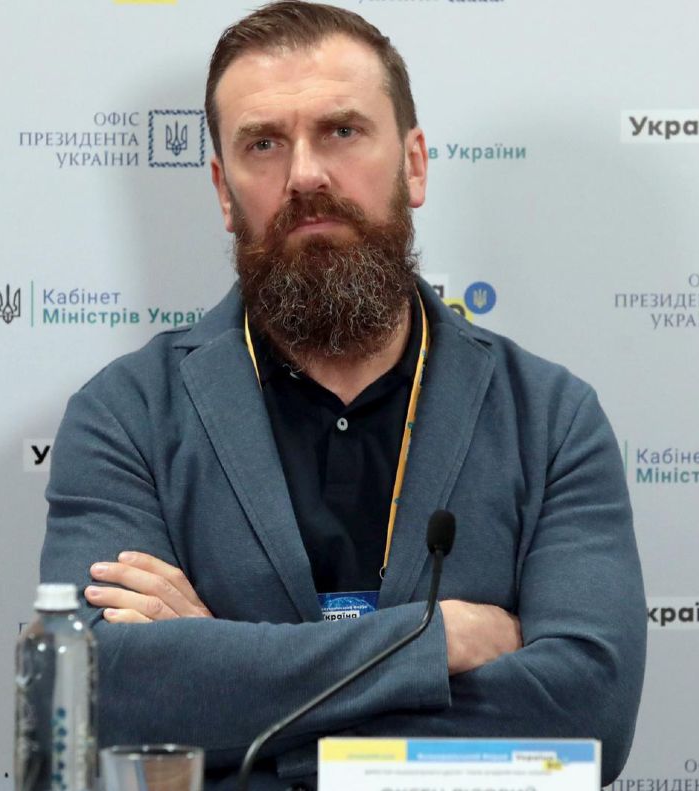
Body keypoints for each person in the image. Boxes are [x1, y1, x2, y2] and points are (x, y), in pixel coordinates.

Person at [41, 3, 646, 789]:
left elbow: (587, 714)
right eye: (264, 144)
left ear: (414, 166)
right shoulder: (127, 415)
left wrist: (239, 701)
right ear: (223, 191)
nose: (305, 176)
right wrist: (435, 641)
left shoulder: (551, 419)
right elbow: (103, 692)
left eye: (342, 131)